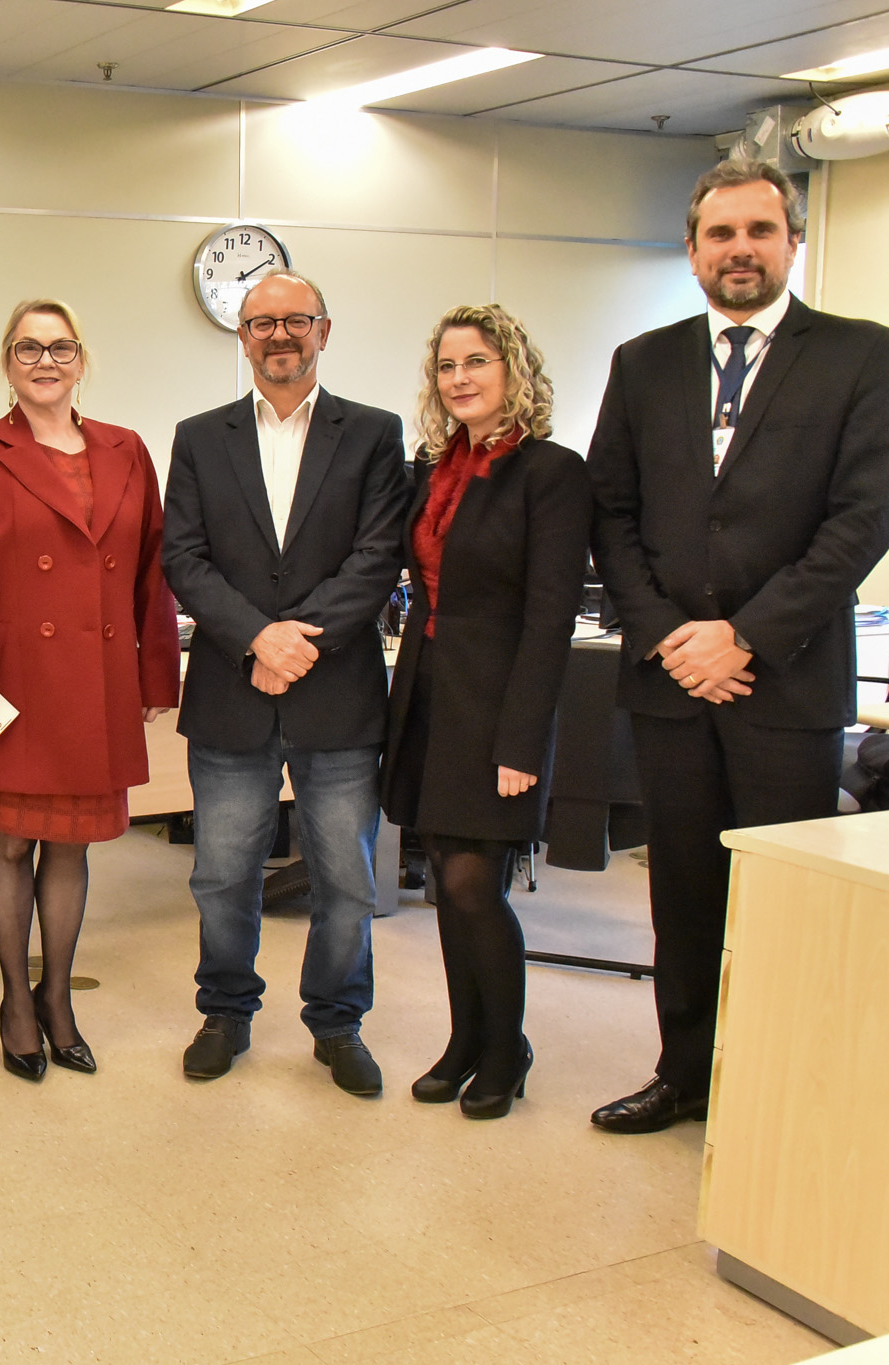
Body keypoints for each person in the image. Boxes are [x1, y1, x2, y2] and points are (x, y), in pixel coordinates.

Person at [587, 159, 889, 1134]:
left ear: (789, 244)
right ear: (689, 252)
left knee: (781, 903)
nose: (737, 250)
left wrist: (744, 639)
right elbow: (610, 512)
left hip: (784, 685)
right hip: (669, 682)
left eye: (757, 231)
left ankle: (778, 1095)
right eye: (718, 234)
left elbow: (859, 522)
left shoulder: (857, 355)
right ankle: (682, 1074)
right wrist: (667, 637)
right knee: (681, 892)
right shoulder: (643, 363)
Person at [161, 269, 409, 1094]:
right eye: (261, 323)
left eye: (295, 321)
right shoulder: (200, 436)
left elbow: (379, 555)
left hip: (336, 692)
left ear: (324, 331)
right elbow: (183, 558)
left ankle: (338, 1023)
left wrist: (297, 639)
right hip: (232, 689)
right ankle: (225, 1011)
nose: (278, 336)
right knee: (222, 873)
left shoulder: (373, 433)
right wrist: (255, 637)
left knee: (347, 878)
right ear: (242, 337)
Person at [0, 300, 181, 1080]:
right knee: (8, 843)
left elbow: (153, 568)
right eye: (28, 347)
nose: (45, 360)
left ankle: (58, 994)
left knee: (69, 845)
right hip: (10, 685)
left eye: (60, 346)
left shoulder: (127, 449)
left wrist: (154, 670)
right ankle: (14, 999)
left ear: (82, 359)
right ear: (7, 362)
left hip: (96, 680)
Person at [380, 305, 591, 1119]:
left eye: (476, 361)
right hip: (431, 692)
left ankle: (508, 1047)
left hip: (500, 699)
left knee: (474, 883)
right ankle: (466, 1038)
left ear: (513, 369)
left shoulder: (552, 471)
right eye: (446, 366)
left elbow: (551, 617)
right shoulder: (434, 469)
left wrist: (523, 735)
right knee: (443, 879)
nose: (460, 378)